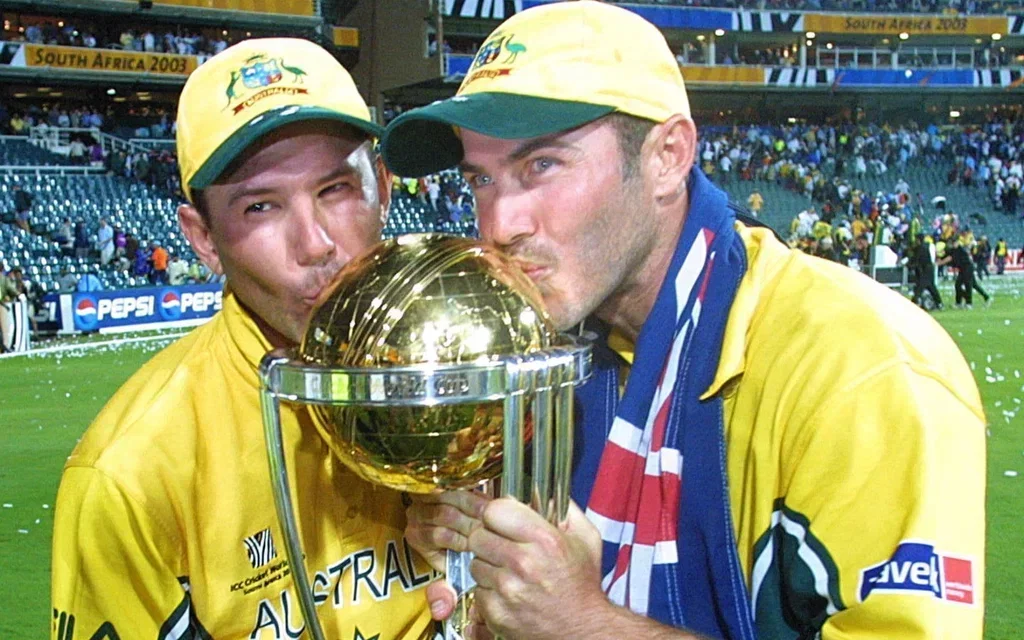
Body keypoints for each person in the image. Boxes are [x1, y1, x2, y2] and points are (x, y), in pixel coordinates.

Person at [382, 3, 985, 639]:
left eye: (542, 165)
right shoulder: (542, 353)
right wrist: (481, 572)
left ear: (668, 157)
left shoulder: (864, 367)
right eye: (481, 179)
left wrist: (583, 624)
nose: (500, 225)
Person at [51, 38, 435, 639]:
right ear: (203, 238)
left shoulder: (473, 377)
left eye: (335, 190)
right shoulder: (130, 474)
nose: (315, 244)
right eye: (260, 207)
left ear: (383, 187)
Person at [939, 235, 990, 309]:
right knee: (971, 285)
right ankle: (986, 297)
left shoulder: (960, 250)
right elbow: (947, 255)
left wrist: (940, 263)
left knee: (967, 285)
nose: (952, 244)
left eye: (953, 243)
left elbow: (950, 258)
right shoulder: (953, 250)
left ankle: (968, 303)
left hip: (967, 268)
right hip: (963, 269)